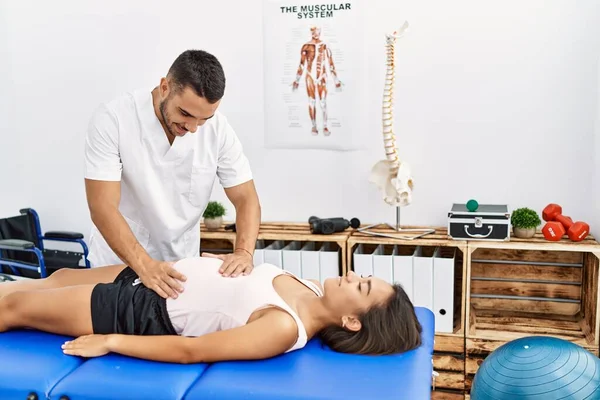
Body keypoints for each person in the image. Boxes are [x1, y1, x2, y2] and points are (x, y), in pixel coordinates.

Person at [84, 49, 261, 301]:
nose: (192, 128)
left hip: (181, 271)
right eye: (185, 114)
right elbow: (101, 206)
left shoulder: (218, 129)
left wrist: (244, 252)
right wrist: (144, 265)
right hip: (117, 264)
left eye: (203, 119)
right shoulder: (114, 119)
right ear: (165, 87)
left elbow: (246, 198)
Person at [0, 257, 422, 363]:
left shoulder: (282, 328)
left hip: (143, 309)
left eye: (361, 285)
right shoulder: (309, 287)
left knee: (12, 306)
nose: (350, 274)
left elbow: (194, 350)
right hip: (157, 273)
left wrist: (112, 340)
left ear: (352, 320)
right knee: (53, 278)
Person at [291, 25, 342, 136]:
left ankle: (325, 126)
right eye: (313, 32)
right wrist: (297, 80)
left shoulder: (325, 45)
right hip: (309, 76)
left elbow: (330, 62)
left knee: (323, 102)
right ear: (311, 32)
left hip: (322, 76)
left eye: (318, 31)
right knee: (311, 102)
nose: (316, 34)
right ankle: (314, 126)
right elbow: (301, 64)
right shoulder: (306, 46)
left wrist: (336, 80)